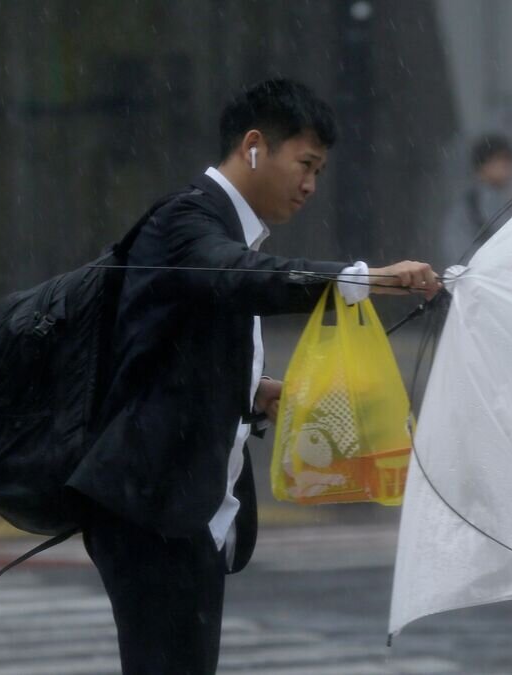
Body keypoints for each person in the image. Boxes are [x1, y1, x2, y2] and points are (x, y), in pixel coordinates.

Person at [67, 78, 439, 674]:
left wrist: (254, 392)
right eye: (306, 164)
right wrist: (361, 279)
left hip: (181, 506)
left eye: (319, 171)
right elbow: (237, 277)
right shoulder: (187, 219)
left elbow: (177, 343)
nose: (311, 185)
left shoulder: (219, 228)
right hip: (152, 507)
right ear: (255, 146)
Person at [439, 133, 512, 268]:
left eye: (508, 161)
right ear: (484, 164)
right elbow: (459, 254)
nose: (507, 167)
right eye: (500, 160)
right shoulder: (472, 205)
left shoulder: (502, 200)